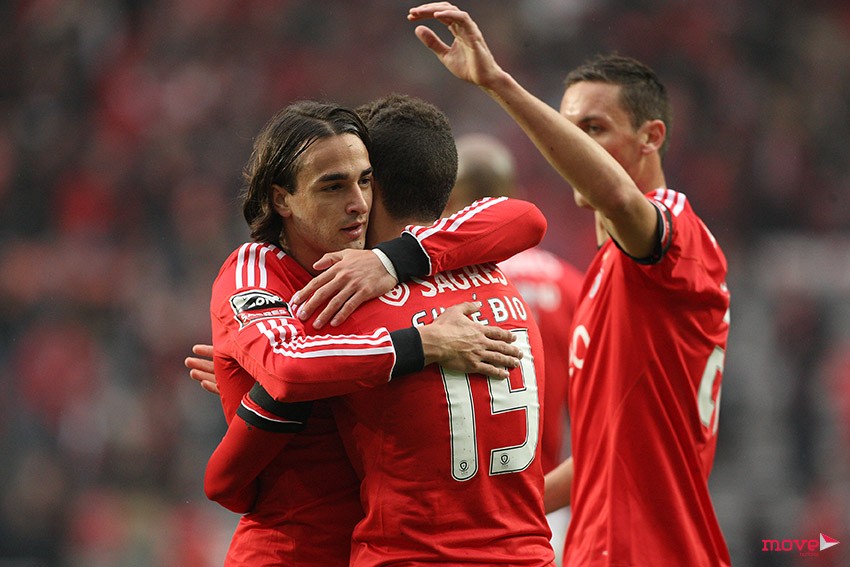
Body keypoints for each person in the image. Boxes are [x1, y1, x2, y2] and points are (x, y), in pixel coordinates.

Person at [408, 3, 731, 566]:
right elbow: (601, 458)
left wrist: (498, 83)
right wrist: (494, 509)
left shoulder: (677, 235)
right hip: (596, 545)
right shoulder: (601, 275)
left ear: (651, 137)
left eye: (593, 129)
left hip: (651, 550)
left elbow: (622, 198)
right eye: (568, 127)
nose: (569, 145)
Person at [201, 98, 551, 564]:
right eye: (333, 187)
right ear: (281, 198)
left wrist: (390, 261)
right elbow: (287, 370)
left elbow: (526, 218)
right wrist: (422, 343)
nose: (358, 203)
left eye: (365, 181)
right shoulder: (256, 272)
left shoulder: (374, 290)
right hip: (291, 554)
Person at [445, 133, 585, 561]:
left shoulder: (438, 290)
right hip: (544, 511)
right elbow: (598, 431)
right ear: (517, 198)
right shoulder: (571, 286)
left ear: (448, 204)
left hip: (453, 516)